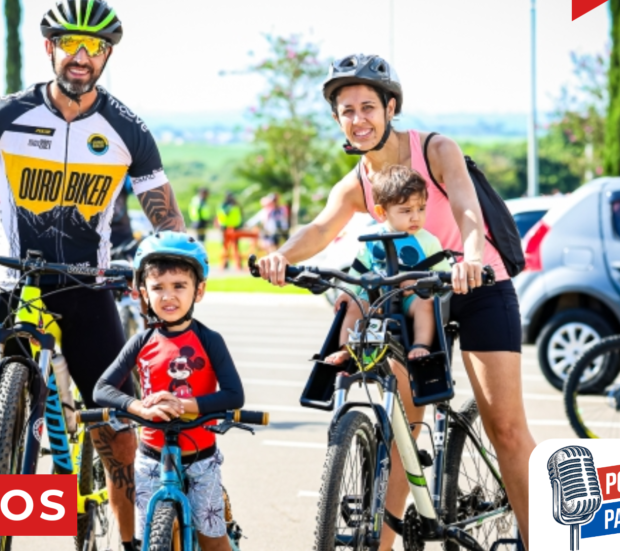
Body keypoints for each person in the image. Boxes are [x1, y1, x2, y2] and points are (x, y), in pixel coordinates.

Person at [0, 0, 185, 551]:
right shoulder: (7, 114)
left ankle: (129, 543)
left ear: (107, 55)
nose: (82, 57)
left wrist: (165, 258)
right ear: (50, 48)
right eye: (71, 45)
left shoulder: (126, 127)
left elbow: (163, 211)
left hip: (87, 287)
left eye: (95, 47)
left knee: (114, 436)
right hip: (11, 282)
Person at [256, 54, 535, 549]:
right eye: (347, 110)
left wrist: (471, 257)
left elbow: (468, 208)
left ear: (390, 108)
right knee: (401, 430)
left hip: (476, 284)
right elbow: (322, 227)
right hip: (411, 296)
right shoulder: (361, 182)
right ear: (337, 118)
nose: (358, 119)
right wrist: (279, 256)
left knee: (507, 430)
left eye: (368, 107)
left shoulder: (435, 150)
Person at [94, 232, 244, 551]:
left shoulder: (209, 340)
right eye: (158, 287)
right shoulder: (142, 341)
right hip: (150, 459)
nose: (168, 296)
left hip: (200, 459)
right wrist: (138, 408)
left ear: (198, 291)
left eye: (179, 286)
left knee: (213, 541)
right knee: (146, 540)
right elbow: (102, 389)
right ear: (143, 294)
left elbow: (234, 395)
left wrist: (184, 405)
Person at [324, 165, 451, 365]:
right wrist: (347, 292)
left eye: (421, 208)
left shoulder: (428, 241)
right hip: (377, 298)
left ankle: (421, 345)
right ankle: (346, 349)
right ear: (382, 212)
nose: (416, 216)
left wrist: (419, 283)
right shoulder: (372, 239)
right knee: (355, 305)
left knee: (425, 303)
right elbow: (359, 269)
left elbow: (445, 275)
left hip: (411, 299)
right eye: (406, 210)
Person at [216, 192, 243, 270]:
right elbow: (225, 213)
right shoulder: (224, 205)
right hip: (225, 227)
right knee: (225, 246)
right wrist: (231, 207)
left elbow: (240, 215)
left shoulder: (236, 205)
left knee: (236, 246)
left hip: (235, 227)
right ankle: (224, 264)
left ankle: (238, 264)